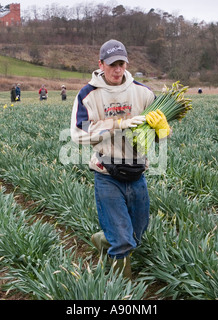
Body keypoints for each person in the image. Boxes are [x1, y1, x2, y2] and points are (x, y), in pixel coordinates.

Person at [70, 39, 168, 280]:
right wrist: (117, 124)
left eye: (121, 64)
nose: (117, 70)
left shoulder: (143, 92)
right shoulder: (88, 95)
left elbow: (157, 132)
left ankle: (103, 239)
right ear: (101, 64)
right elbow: (79, 134)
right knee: (123, 242)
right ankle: (121, 291)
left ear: (127, 63)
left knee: (136, 234)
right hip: (107, 174)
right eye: (112, 64)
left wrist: (163, 130)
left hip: (137, 174)